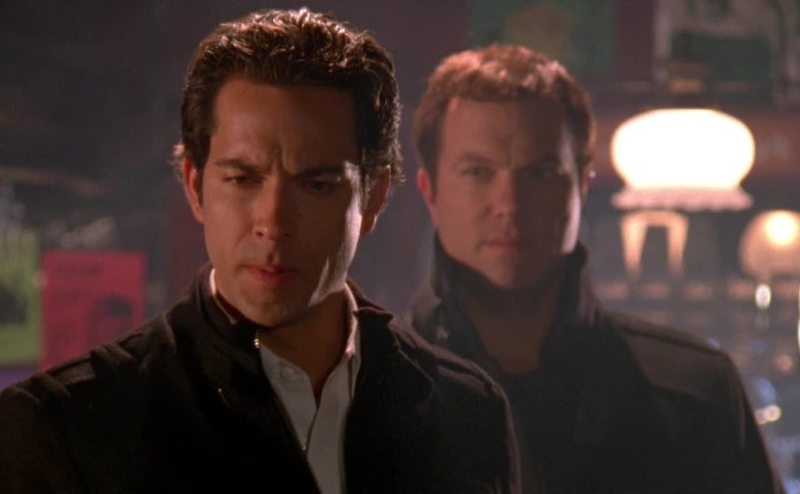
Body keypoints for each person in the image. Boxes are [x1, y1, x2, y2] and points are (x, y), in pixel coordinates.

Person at [0, 11, 519, 493]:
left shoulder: (465, 411)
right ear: (195, 187)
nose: (273, 224)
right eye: (243, 179)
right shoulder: (66, 426)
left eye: (315, 185)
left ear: (374, 196)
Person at [409, 44, 783, 493]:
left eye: (541, 173)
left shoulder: (695, 391)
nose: (509, 204)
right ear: (430, 192)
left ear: (581, 188)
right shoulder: (374, 387)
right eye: (477, 172)